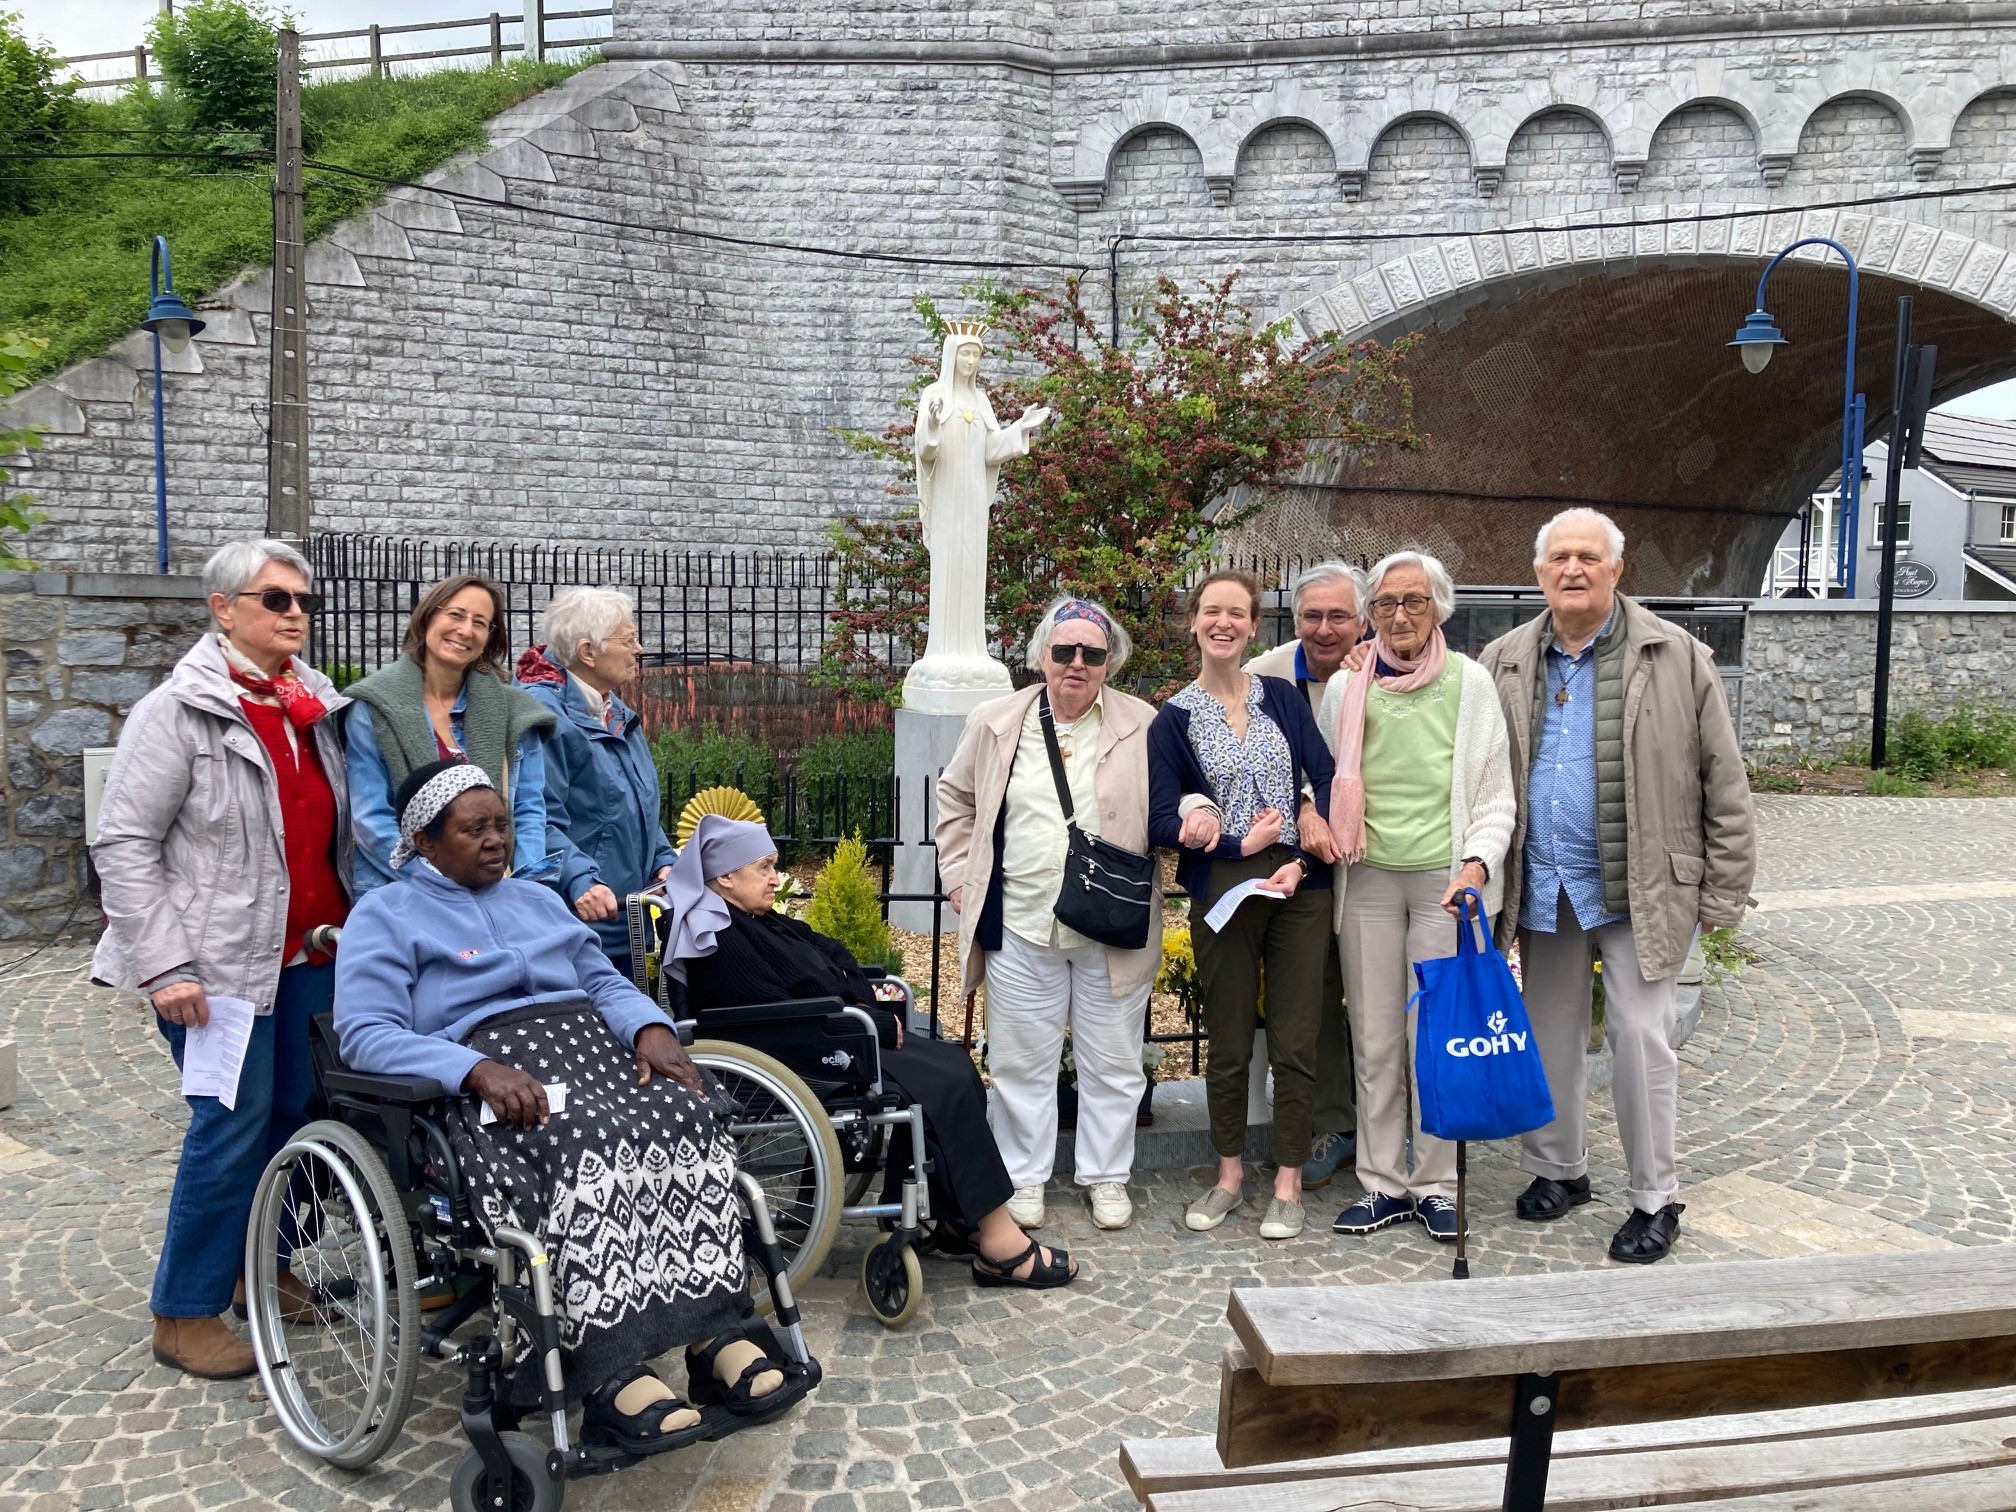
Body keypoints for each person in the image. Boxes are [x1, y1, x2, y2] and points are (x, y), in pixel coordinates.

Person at [336, 761, 812, 1453]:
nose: (496, 840)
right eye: (474, 830)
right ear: (426, 841)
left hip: (587, 1049)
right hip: (490, 1079)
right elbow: (367, 1033)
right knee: (583, 1145)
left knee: (685, 1120)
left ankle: (717, 1334)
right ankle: (609, 1371)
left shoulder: (534, 898)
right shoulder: (386, 914)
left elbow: (600, 980)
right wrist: (473, 1069)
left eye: (500, 824)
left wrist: (648, 1027)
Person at [91, 539, 350, 1380]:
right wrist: (165, 966)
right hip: (218, 969)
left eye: (303, 600)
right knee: (230, 1130)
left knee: (298, 1122)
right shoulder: (178, 711)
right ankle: (182, 1312)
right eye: (275, 599)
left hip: (310, 959)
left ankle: (261, 1273)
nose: (296, 614)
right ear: (222, 607)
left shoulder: (313, 706)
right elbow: (124, 842)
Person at [1478, 507, 1755, 1265]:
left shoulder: (1677, 656)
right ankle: (1558, 1168)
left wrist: (1724, 894)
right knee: (1549, 1035)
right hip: (1544, 881)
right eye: (1559, 557)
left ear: (1615, 569)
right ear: (1538, 573)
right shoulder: (1503, 657)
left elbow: (1723, 783)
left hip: (1643, 886)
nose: (1573, 569)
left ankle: (1654, 1198)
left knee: (1639, 1038)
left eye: (1588, 557)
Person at [674, 816, 1079, 1291]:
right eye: (763, 867)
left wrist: (855, 998)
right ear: (724, 877)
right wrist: (866, 1018)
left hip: (828, 1038)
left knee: (953, 1063)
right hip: (803, 1057)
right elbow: (781, 1013)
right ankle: (998, 1243)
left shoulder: (753, 919)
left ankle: (955, 1218)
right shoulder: (719, 938)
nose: (775, 879)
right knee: (942, 1084)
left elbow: (830, 955)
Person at [936, 597, 1160, 1233]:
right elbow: (954, 798)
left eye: (1092, 653)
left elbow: (1171, 800)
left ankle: (1106, 1175)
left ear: (1110, 661)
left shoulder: (1142, 723)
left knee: (1114, 1060)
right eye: (1065, 651)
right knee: (1018, 1061)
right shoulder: (996, 720)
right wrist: (958, 878)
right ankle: (1023, 1176)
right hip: (1022, 919)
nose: (1077, 664)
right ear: (1041, 656)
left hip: (1110, 923)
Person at [1314, 550, 1515, 1243]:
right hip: (1366, 876)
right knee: (1372, 1038)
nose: (1399, 616)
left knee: (1435, 1038)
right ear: (1370, 614)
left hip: (1442, 884)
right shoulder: (1347, 688)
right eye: (1386, 603)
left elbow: (1494, 794)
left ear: (1440, 609)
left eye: (1415, 601)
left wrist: (1477, 864)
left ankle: (1434, 1185)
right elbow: (1323, 778)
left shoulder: (1472, 684)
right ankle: (1381, 1183)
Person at [1147, 568, 1340, 1242]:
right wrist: (1229, 839)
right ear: (1194, 623)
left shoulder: (1283, 698)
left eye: (1237, 613)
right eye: (1211, 612)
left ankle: (1287, 1181)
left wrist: (1305, 843)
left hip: (1298, 885)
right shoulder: (1172, 717)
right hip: (1224, 889)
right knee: (1227, 1042)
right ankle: (1228, 1176)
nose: (1223, 623)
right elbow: (1160, 819)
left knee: (1295, 1038)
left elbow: (1324, 772)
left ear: (1255, 627)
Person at [1246, 562, 1368, 1192]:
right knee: (1314, 1000)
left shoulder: (1384, 670)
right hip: (1302, 867)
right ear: (1294, 621)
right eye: (1312, 617)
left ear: (1362, 620)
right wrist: (1302, 804)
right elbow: (1238, 759)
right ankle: (1331, 1124)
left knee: (1379, 1000)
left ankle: (1388, 1125)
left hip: (1376, 864)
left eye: (1339, 617)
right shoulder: (1263, 677)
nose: (1325, 631)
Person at [344, 574, 556, 895]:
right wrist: (436, 884)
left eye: (480, 622)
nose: (465, 630)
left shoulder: (516, 711)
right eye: (455, 615)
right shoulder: (372, 707)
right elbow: (370, 819)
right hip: (400, 892)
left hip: (498, 891)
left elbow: (528, 811)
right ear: (428, 616)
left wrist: (525, 890)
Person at [516, 587, 675, 980]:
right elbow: (534, 817)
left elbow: (636, 805)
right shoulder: (541, 714)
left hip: (629, 919)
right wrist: (580, 879)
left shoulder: (615, 709)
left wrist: (664, 860)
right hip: (579, 925)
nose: (639, 649)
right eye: (628, 640)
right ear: (588, 652)